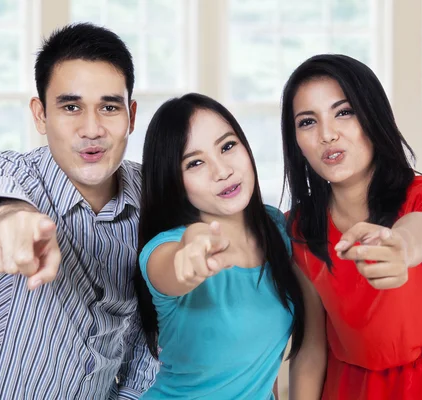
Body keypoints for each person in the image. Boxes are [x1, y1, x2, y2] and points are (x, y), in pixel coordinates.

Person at [0, 23, 158, 400]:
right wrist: (10, 215)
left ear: (132, 115)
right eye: (71, 107)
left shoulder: (154, 196)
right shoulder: (19, 178)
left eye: (109, 107)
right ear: (40, 115)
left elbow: (151, 332)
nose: (91, 129)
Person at [280, 54, 422, 399]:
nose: (327, 135)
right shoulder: (301, 231)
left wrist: (403, 246)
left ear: (372, 115)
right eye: (307, 122)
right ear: (296, 141)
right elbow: (311, 348)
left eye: (343, 112)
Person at [133, 93, 327, 399]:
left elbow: (269, 362)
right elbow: (176, 262)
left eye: (227, 146)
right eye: (195, 163)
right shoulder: (163, 249)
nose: (222, 171)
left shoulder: (277, 229)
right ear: (174, 181)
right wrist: (192, 245)